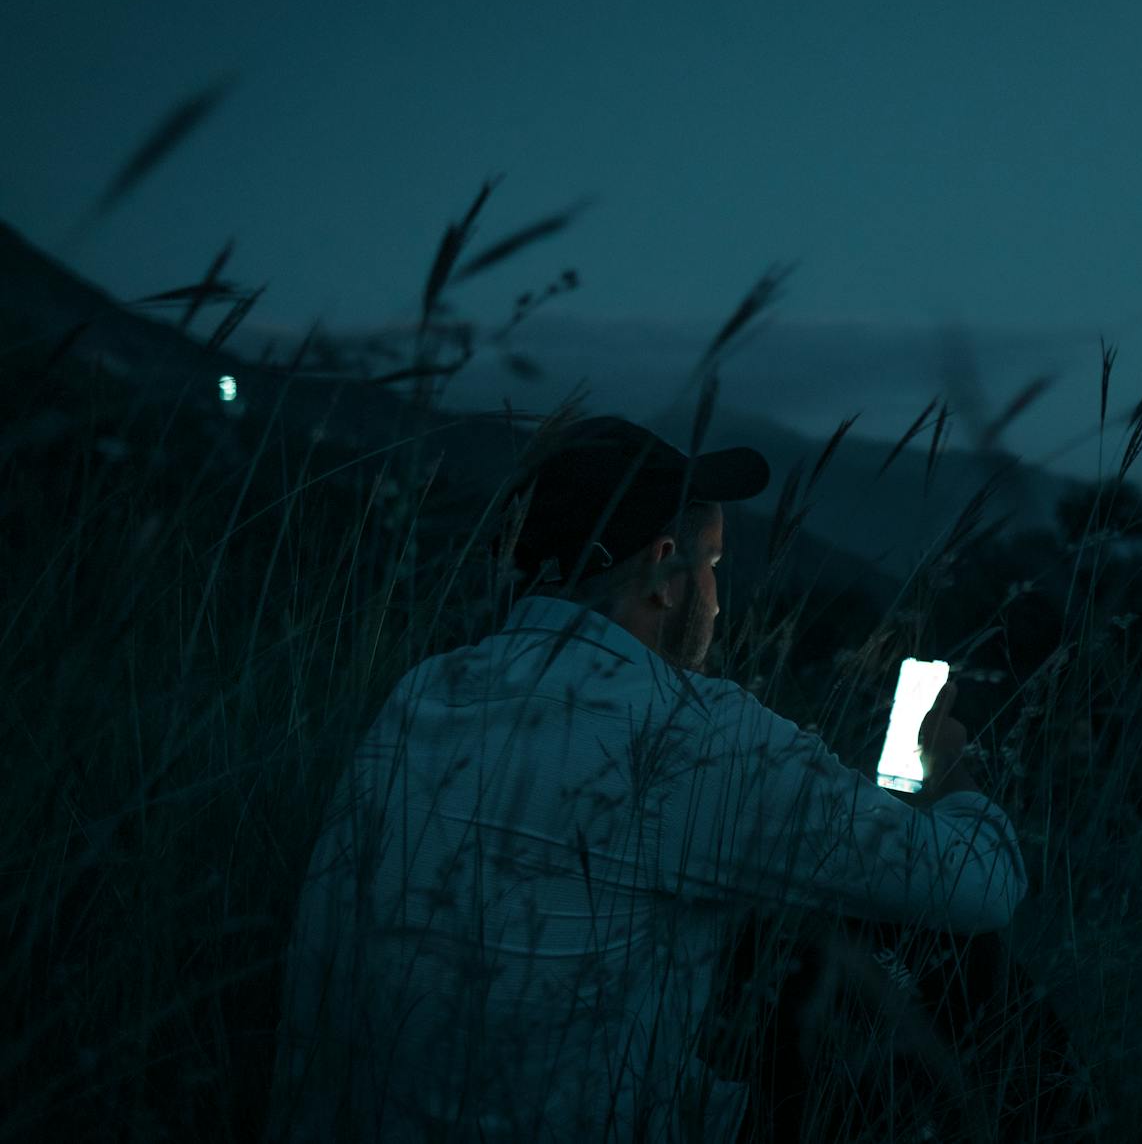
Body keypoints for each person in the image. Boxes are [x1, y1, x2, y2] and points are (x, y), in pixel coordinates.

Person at [263, 414, 1078, 1143]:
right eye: (712, 564)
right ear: (661, 570)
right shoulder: (685, 732)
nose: (716, 600)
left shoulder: (426, 692)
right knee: (954, 969)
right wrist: (951, 776)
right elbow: (978, 886)